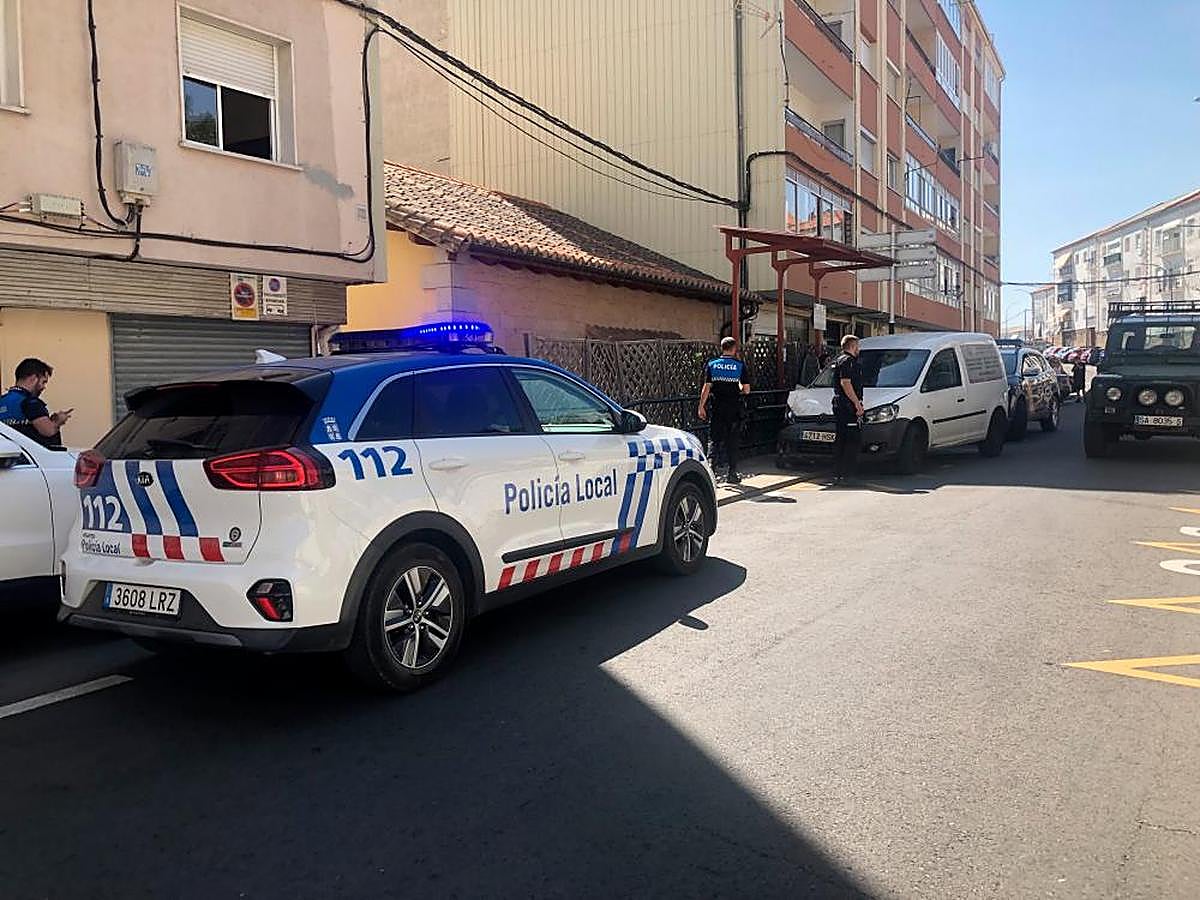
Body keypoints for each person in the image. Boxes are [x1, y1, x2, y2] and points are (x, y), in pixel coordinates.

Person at [698, 336, 750, 484]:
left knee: (714, 440)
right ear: (734, 349)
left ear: (722, 348)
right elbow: (746, 390)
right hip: (733, 410)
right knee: (732, 442)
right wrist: (738, 387)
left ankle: (710, 472)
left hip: (717, 408)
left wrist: (701, 406)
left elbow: (706, 388)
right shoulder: (739, 365)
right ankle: (732, 474)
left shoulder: (712, 364)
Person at [0, 358, 72, 448]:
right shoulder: (31, 402)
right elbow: (48, 431)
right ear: (33, 379)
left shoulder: (3, 401)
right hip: (34, 457)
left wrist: (51, 420)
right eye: (43, 382)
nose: (44, 387)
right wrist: (58, 421)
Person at [831, 334, 864, 485]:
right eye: (858, 346)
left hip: (841, 405)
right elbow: (846, 383)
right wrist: (857, 404)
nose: (859, 349)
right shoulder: (848, 361)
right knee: (851, 441)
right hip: (847, 406)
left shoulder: (838, 360)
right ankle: (846, 474)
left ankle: (839, 473)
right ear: (852, 346)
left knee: (841, 440)